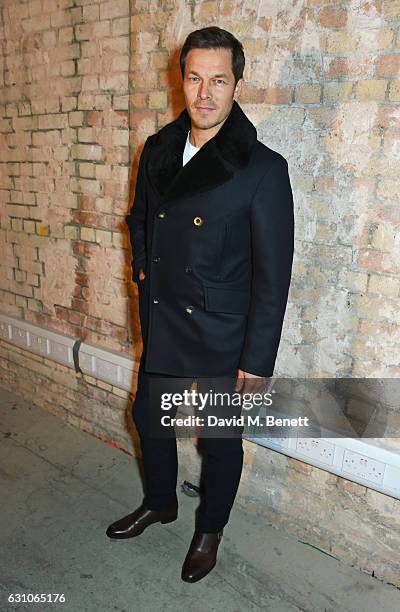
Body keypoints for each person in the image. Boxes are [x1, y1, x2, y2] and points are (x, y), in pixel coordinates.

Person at [106, 26, 295, 583]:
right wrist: (144, 267)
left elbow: (272, 276)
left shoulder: (262, 169)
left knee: (217, 438)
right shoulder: (159, 148)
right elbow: (139, 218)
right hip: (166, 314)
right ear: (180, 79)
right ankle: (161, 503)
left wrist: (257, 359)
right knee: (149, 416)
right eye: (194, 78)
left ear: (238, 83)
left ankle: (210, 527)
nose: (205, 93)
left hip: (222, 330)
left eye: (219, 79)